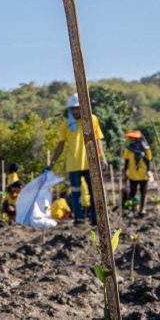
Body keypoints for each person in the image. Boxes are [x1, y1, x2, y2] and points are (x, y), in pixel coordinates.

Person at [49, 93, 104, 224]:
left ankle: (95, 218)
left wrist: (102, 157)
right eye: (72, 108)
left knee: (93, 190)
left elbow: (97, 140)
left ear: (83, 107)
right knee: (75, 192)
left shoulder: (92, 119)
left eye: (77, 108)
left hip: (90, 162)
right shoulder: (67, 124)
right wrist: (52, 163)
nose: (75, 111)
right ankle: (79, 218)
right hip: (73, 163)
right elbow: (60, 145)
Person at [122, 131, 152, 216]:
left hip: (143, 175)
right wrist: (125, 171)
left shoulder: (146, 148)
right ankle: (132, 210)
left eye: (133, 138)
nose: (132, 140)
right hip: (133, 174)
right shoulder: (129, 148)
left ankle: (142, 210)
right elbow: (126, 161)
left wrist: (149, 170)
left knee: (143, 193)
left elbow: (149, 160)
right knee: (132, 193)